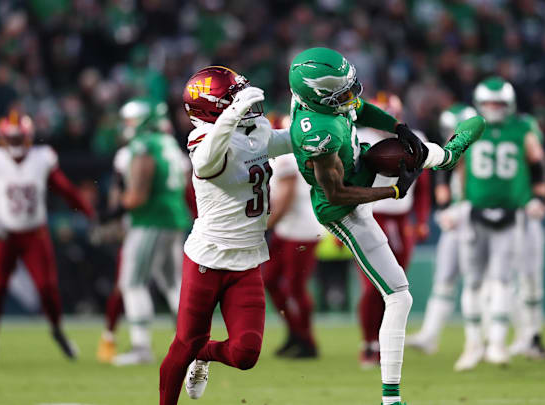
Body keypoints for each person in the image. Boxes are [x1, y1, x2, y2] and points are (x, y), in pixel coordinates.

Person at [288, 47, 484, 405]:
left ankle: (444, 155)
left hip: (356, 161)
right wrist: (394, 190)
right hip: (340, 209)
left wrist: (398, 127)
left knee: (409, 154)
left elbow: (360, 108)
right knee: (398, 295)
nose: (352, 97)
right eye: (341, 94)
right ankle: (391, 398)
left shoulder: (322, 105)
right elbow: (339, 193)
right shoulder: (320, 132)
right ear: (318, 98)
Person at [158, 66, 293, 404]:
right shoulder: (202, 139)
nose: (245, 107)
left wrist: (322, 123)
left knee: (246, 354)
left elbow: (284, 141)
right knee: (183, 342)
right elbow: (205, 164)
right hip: (208, 257)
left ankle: (204, 354)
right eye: (234, 100)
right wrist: (231, 115)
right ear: (215, 108)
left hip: (247, 259)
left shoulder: (252, 128)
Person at [0, 111, 95, 365]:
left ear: (28, 138)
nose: (15, 144)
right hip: (5, 234)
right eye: (11, 139)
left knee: (46, 288)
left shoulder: (42, 158)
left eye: (19, 139)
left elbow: (66, 190)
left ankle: (57, 331)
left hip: (34, 234)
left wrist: (88, 211)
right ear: (2, 139)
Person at [454, 77, 545, 371]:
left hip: (510, 214)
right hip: (475, 212)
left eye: (499, 103)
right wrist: (454, 204)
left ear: (509, 105)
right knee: (472, 281)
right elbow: (456, 165)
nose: (494, 108)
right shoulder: (469, 126)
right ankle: (473, 344)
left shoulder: (523, 128)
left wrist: (539, 197)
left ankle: (496, 342)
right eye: (489, 103)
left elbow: (537, 163)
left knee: (502, 280)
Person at [112, 98, 192, 366]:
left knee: (133, 283)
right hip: (174, 216)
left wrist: (113, 209)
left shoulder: (144, 146)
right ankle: (191, 342)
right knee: (173, 283)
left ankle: (141, 347)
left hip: (150, 220)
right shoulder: (168, 143)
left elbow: (137, 196)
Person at [355, 92, 431, 368]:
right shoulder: (357, 136)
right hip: (367, 217)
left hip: (400, 221)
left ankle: (384, 345)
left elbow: (422, 186)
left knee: (397, 288)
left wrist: (421, 219)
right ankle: (369, 343)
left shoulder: (413, 137)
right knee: (372, 287)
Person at [406, 104, 476, 355]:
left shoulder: (478, 158)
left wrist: (460, 210)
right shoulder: (449, 156)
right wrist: (446, 210)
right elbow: (443, 186)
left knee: (479, 283)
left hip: (478, 224)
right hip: (455, 227)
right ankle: (430, 336)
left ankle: (481, 339)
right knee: (444, 280)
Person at [264, 114, 325, 358]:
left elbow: (286, 199)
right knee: (270, 280)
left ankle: (306, 340)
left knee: (294, 287)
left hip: (300, 230)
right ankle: (294, 332)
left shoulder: (287, 156)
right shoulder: (292, 153)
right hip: (289, 228)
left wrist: (263, 226)